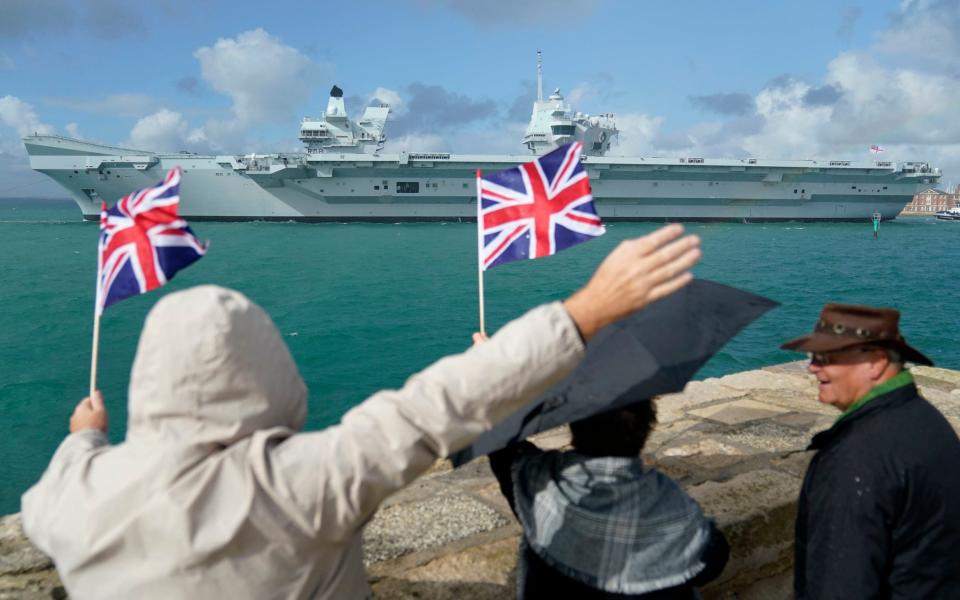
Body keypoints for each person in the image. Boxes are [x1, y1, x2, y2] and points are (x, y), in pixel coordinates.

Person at [21, 224, 701, 600]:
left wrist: (84, 442)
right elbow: (435, 405)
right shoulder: (302, 484)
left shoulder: (70, 498)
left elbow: (48, 496)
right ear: (267, 375)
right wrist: (588, 310)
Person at [781, 303, 960, 599]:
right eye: (813, 356)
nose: (812, 366)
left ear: (876, 362)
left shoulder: (853, 458)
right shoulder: (927, 420)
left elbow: (840, 587)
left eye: (826, 356)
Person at [489, 399, 729, 599]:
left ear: (574, 429)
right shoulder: (669, 499)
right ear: (645, 432)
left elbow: (500, 443)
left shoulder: (538, 478)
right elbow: (711, 562)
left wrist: (499, 389)